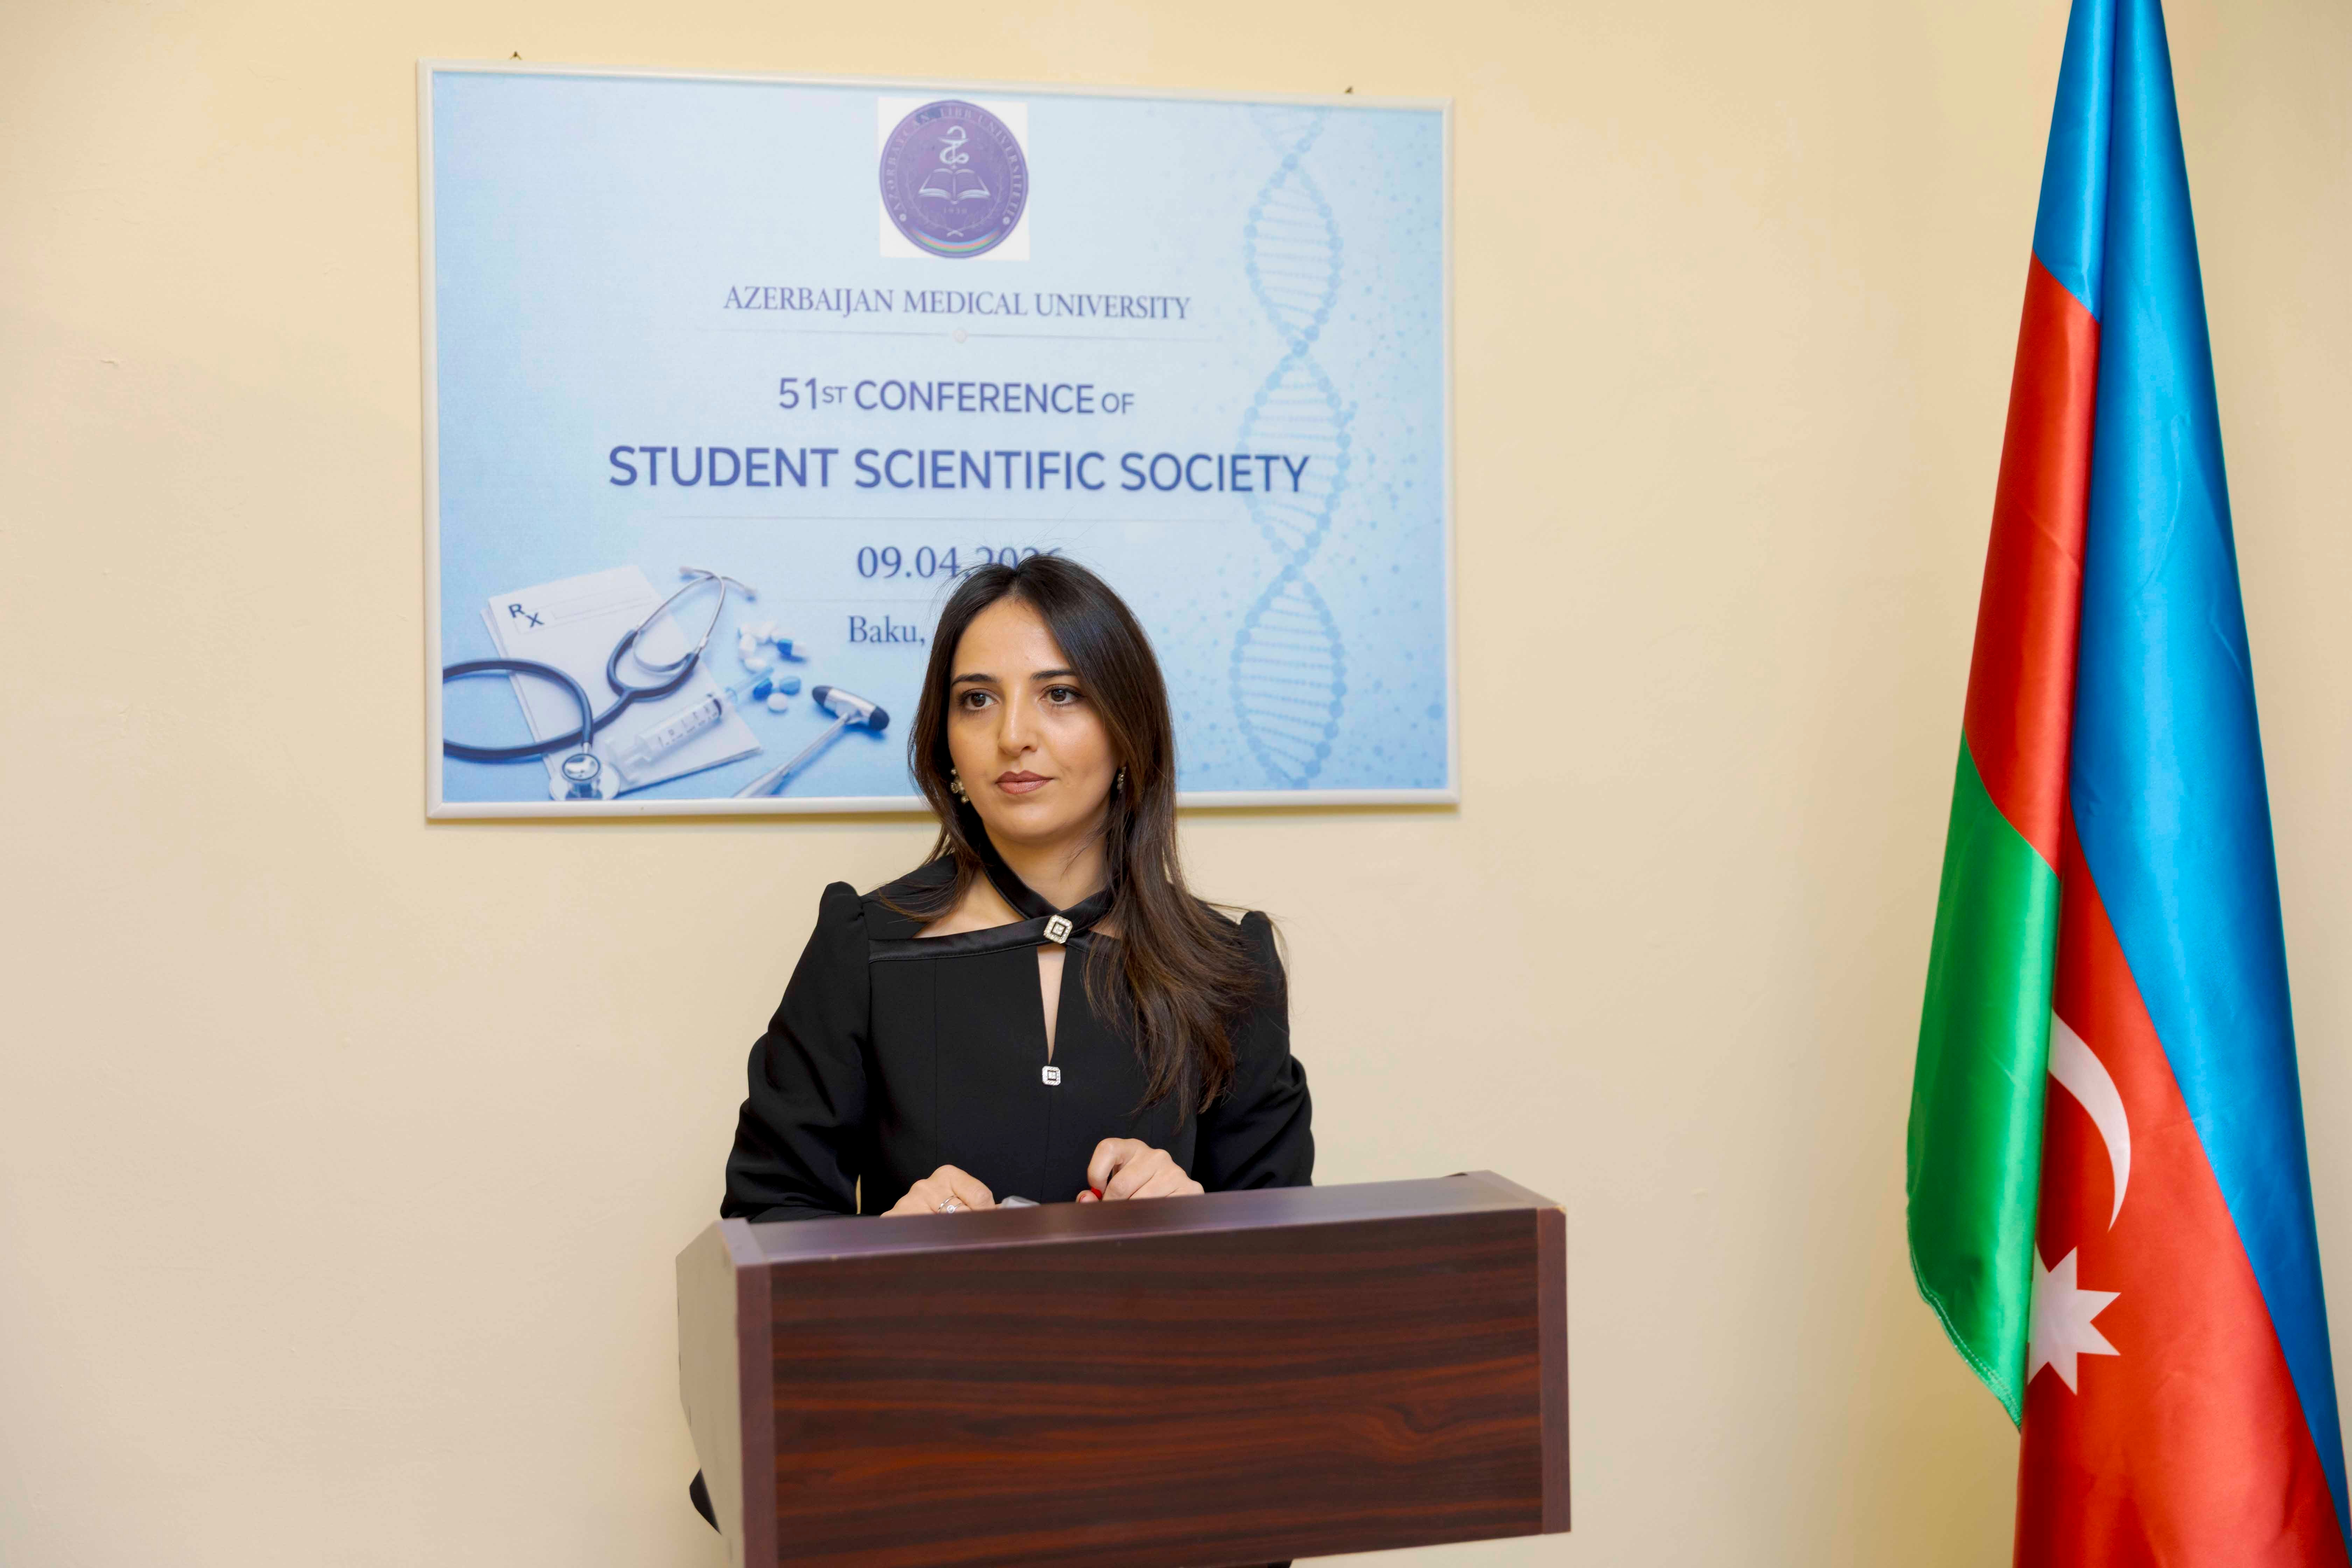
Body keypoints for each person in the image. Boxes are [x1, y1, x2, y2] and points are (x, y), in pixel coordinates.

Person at [694, 555, 1312, 1560]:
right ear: (943, 742)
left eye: (1061, 695)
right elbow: (762, 1228)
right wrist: (875, 1254)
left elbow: (1294, 1289)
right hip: (922, 1496)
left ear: (1129, 730)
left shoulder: (1229, 966)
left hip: (1168, 1505)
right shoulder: (863, 946)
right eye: (976, 700)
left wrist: (1199, 1224)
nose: (1013, 735)